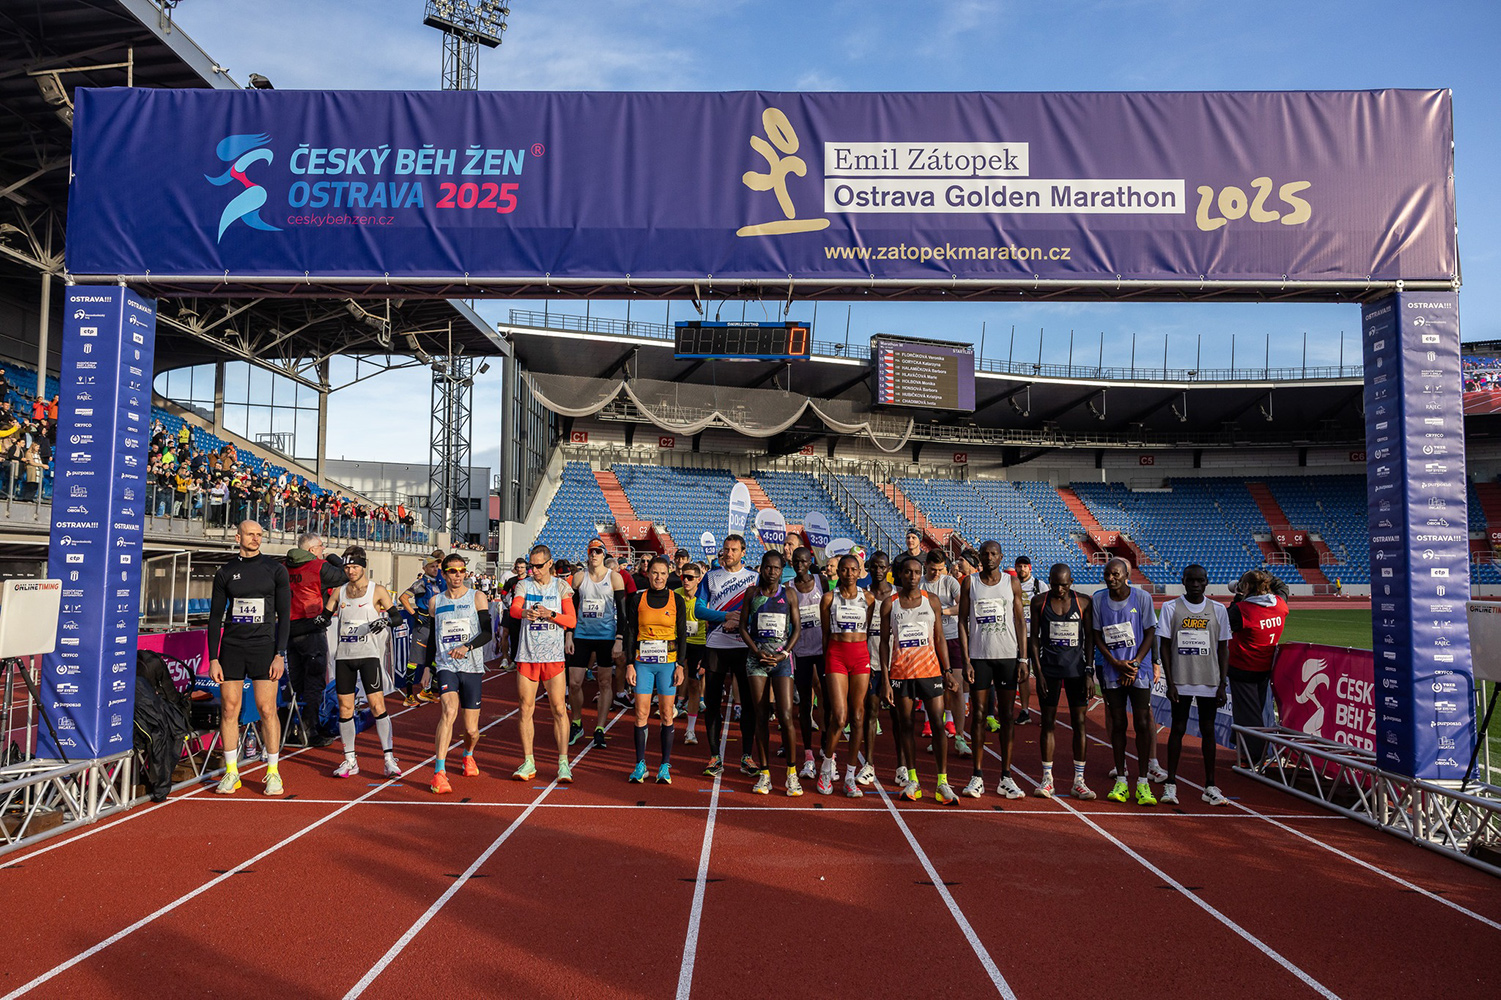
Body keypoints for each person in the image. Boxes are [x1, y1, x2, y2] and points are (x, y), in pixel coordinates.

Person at [207, 520, 291, 796]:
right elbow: (215, 618)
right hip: (232, 647)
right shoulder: (226, 572)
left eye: (259, 535)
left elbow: (284, 616)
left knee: (267, 709)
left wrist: (280, 654)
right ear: (238, 536)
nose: (256, 539)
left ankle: (273, 772)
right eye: (251, 534)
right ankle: (232, 773)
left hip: (264, 647)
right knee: (230, 710)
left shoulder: (275, 570)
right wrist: (213, 658)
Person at [881, 554, 958, 805]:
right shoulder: (889, 603)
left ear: (920, 574)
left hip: (930, 672)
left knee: (937, 724)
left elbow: (939, 639)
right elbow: (883, 643)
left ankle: (942, 782)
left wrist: (947, 671)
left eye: (916, 572)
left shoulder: (931, 600)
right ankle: (913, 779)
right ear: (899, 575)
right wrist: (885, 679)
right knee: (905, 725)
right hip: (901, 673)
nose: (912, 577)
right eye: (907, 572)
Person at [955, 540, 1028, 798]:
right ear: (980, 558)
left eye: (993, 553)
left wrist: (1023, 659)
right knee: (978, 715)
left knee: (1007, 717)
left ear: (1000, 556)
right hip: (979, 657)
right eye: (984, 554)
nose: (989, 557)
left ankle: (1006, 777)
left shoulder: (1012, 583)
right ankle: (977, 776)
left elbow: (1020, 621)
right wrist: (966, 660)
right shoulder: (970, 583)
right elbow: (962, 622)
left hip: (1007, 657)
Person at [1158, 564, 1231, 806]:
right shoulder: (1171, 608)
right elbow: (1164, 647)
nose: (1196, 585)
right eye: (1191, 580)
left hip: (1209, 681)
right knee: (1177, 729)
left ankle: (1210, 785)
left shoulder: (1218, 610)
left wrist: (1222, 683)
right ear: (1184, 581)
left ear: (1207, 581)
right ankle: (1170, 784)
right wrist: (1170, 682)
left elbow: (1223, 648)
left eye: (1200, 580)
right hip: (1180, 680)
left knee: (1208, 730)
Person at [328, 546, 400, 778]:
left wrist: (385, 621)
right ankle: (350, 760)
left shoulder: (376, 590)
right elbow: (324, 616)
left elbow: (397, 617)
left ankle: (388, 759)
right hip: (344, 657)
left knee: (377, 705)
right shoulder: (339, 592)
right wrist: (318, 619)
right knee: (345, 707)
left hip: (368, 656)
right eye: (347, 567)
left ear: (363, 566)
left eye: (354, 567)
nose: (350, 571)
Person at [1093, 557, 1159, 806]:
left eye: (1116, 574)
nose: (1111, 578)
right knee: (1118, 722)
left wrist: (1136, 663)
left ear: (1127, 574)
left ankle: (1142, 782)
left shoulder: (1141, 598)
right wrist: (1114, 662)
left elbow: (1151, 631)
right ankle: (1121, 777)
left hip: (1137, 671)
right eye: (1107, 574)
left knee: (1142, 722)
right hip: (1113, 670)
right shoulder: (1100, 599)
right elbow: (1097, 634)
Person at [508, 545, 577, 782]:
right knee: (525, 708)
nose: (534, 570)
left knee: (559, 709)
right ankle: (528, 761)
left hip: (553, 657)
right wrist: (523, 613)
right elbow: (514, 608)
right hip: (527, 656)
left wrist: (551, 614)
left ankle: (563, 763)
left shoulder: (561, 586)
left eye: (538, 565)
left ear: (549, 564)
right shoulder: (524, 585)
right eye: (531, 565)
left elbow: (571, 619)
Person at [1029, 563, 1096, 800]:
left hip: (1077, 671)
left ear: (1071, 582)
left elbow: (1090, 638)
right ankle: (1047, 778)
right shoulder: (1039, 602)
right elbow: (1034, 639)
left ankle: (1079, 780)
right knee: (1048, 722)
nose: (1059, 589)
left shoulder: (1084, 602)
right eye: (1055, 584)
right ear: (1049, 581)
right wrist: (1038, 671)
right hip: (1050, 671)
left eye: (1064, 585)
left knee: (1080, 723)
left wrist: (1089, 672)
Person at [738, 551, 803, 796]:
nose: (772, 572)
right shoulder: (751, 594)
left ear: (781, 570)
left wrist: (784, 653)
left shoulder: (789, 594)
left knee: (786, 715)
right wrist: (755, 652)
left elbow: (796, 629)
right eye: (768, 567)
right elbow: (743, 627)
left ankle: (791, 773)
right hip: (756, 661)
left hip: (782, 660)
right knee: (760, 715)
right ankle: (764, 773)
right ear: (761, 569)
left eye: (776, 568)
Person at [429, 554, 494, 793]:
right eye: (452, 571)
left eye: (461, 570)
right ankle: (439, 772)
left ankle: (468, 754)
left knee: (471, 730)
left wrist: (467, 647)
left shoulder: (477, 597)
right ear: (444, 574)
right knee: (449, 711)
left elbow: (487, 633)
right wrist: (428, 667)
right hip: (446, 666)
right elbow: (432, 636)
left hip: (472, 667)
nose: (458, 575)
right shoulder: (435, 602)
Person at [700, 534, 759, 778]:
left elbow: (762, 608)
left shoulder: (754, 578)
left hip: (744, 646)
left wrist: (741, 621)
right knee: (713, 702)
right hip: (716, 645)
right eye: (725, 550)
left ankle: (747, 756)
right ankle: (715, 755)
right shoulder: (711, 577)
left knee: (748, 703)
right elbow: (698, 609)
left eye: (734, 550)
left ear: (743, 552)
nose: (728, 554)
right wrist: (725, 617)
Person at [625, 556, 688, 783]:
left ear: (668, 573)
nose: (659, 577)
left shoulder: (676, 600)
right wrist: (629, 663)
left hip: (667, 664)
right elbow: (631, 632)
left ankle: (664, 765)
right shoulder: (637, 599)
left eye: (662, 573)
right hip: (642, 663)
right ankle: (640, 765)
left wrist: (680, 664)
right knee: (641, 713)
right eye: (654, 573)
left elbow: (682, 636)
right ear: (648, 573)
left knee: (667, 713)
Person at [283, 532, 347, 746]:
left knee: (296, 683)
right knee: (314, 682)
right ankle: (310, 732)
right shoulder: (317, 567)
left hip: (289, 630)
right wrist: (333, 558)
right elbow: (347, 574)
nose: (323, 550)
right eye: (321, 547)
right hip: (312, 628)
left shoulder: (284, 566)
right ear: (311, 550)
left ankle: (293, 728)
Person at [821, 552, 874, 796]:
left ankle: (850, 775)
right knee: (840, 718)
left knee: (858, 716)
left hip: (860, 656)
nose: (849, 574)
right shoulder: (829, 598)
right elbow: (825, 634)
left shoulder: (869, 599)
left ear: (859, 571)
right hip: (837, 655)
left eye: (854, 569)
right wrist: (827, 660)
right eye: (845, 569)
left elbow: (868, 631)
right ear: (839, 572)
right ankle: (826, 767)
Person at [567, 540, 627, 748]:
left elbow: (622, 611)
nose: (594, 554)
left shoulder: (615, 578)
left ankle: (600, 728)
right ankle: (576, 722)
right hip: (582, 635)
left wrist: (619, 639)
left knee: (604, 683)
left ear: (604, 554)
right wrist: (569, 635)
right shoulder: (579, 577)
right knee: (574, 682)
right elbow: (571, 609)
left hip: (606, 637)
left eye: (598, 551)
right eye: (591, 551)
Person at [1228, 569, 1289, 767]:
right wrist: (1265, 576)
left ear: (1246, 587)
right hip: (1265, 667)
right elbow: (1283, 588)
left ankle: (1254, 755)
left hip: (1243, 666)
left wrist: (1238, 596)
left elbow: (1226, 620)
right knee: (1255, 710)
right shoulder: (1279, 605)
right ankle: (1244, 745)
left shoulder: (1243, 610)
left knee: (1247, 714)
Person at [788, 546, 826, 780]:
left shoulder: (821, 581)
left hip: (822, 650)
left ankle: (824, 742)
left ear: (810, 561)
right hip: (799, 651)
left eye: (803, 561)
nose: (799, 565)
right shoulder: (789, 587)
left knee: (825, 697)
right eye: (796, 561)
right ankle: (808, 753)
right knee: (803, 702)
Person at [924, 550, 966, 750]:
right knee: (934, 691)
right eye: (933, 569)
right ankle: (937, 734)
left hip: (952, 638)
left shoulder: (950, 582)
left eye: (940, 569)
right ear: (926, 566)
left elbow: (963, 605)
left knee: (956, 688)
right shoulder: (921, 583)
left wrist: (942, 611)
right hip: (929, 642)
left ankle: (959, 737)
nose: (936, 573)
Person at [677, 561, 722, 745]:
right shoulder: (675, 596)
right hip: (679, 643)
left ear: (698, 580)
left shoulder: (704, 600)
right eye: (683, 577)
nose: (686, 581)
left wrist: (705, 652)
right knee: (674, 680)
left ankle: (690, 729)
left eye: (690, 578)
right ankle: (672, 713)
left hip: (699, 644)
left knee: (695, 685)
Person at [860, 550, 895, 787]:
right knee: (870, 713)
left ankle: (902, 766)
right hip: (870, 662)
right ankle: (869, 764)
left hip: (896, 665)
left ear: (888, 567)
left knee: (899, 718)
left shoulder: (898, 596)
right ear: (869, 568)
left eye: (882, 566)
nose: (878, 570)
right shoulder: (863, 596)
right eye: (874, 566)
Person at [398, 551, 448, 704]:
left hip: (435, 622)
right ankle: (408, 696)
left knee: (434, 656)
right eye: (432, 566)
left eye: (436, 566)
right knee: (415, 659)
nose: (435, 569)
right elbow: (403, 597)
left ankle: (425, 691)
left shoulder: (437, 582)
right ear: (425, 568)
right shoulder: (421, 583)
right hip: (423, 623)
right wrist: (414, 615)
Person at [1012, 556, 1043, 726]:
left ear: (1030, 568)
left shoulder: (1039, 585)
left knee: (1040, 673)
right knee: (1022, 674)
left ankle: (1045, 710)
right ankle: (1025, 710)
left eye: (1025, 566)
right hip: (1018, 637)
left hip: (1037, 637)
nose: (1022, 569)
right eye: (1019, 566)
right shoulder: (1011, 585)